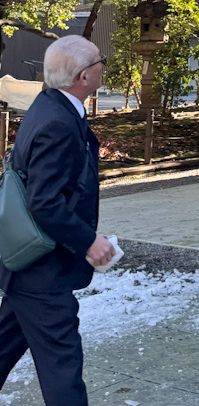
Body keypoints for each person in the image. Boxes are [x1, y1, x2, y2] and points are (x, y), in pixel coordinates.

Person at [0, 36, 115, 405]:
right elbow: (45, 202)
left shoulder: (50, 104)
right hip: (42, 272)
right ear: (83, 76)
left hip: (27, 269)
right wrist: (88, 240)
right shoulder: (57, 123)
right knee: (62, 368)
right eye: (100, 61)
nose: (102, 66)